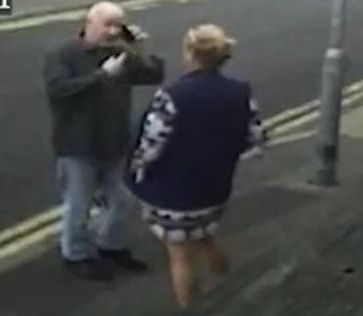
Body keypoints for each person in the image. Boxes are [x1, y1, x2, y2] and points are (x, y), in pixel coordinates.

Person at [126, 24, 265, 307]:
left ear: (190, 54)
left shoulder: (173, 96)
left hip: (173, 194)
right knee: (206, 236)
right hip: (214, 188)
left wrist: (136, 171)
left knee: (179, 255)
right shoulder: (240, 92)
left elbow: (151, 146)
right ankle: (225, 282)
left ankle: (187, 306)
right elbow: (255, 137)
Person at [43, 1, 164, 281]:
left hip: (114, 142)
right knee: (79, 206)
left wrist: (138, 49)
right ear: (89, 24)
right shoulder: (63, 55)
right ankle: (76, 255)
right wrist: (101, 76)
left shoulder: (121, 53)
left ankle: (110, 246)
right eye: (107, 25)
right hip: (78, 145)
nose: (112, 32)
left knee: (122, 201)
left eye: (117, 26)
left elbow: (154, 75)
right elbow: (58, 90)